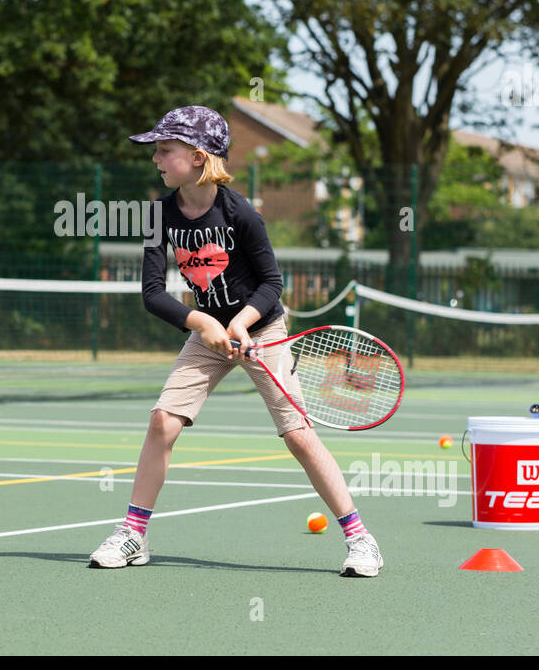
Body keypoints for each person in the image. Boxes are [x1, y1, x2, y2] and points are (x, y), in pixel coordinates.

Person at [88, 105, 383, 576]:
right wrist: (202, 323)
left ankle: (361, 539)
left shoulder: (242, 213)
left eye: (166, 150)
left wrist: (242, 323)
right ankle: (132, 535)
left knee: (299, 435)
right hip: (206, 331)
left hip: (260, 329)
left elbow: (271, 283)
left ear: (199, 157)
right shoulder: (157, 215)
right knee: (163, 421)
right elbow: (151, 294)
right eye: (156, 151)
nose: (156, 159)